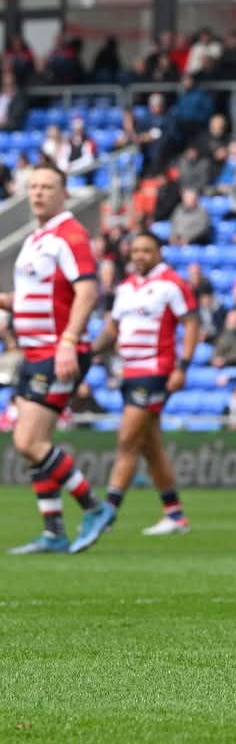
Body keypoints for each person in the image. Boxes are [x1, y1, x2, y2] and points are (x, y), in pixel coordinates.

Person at [1, 163, 114, 554]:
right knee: (34, 442)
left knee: (29, 440)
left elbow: (86, 292)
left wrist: (68, 340)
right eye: (32, 187)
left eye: (47, 187)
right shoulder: (38, 239)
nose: (37, 194)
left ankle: (94, 508)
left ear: (63, 193)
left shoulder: (70, 235)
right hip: (34, 353)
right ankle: (53, 530)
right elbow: (36, 297)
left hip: (57, 352)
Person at [90, 232, 198, 537]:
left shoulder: (171, 284)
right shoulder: (125, 288)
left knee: (127, 439)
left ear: (158, 253)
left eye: (146, 250)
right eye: (135, 250)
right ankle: (174, 514)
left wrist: (183, 366)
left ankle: (106, 512)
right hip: (130, 372)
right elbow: (112, 328)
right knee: (150, 446)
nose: (139, 255)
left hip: (156, 370)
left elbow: (191, 322)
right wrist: (87, 352)